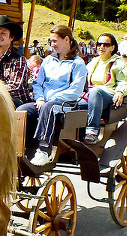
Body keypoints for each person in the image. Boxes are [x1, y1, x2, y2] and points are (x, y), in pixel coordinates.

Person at [16, 24, 88, 167]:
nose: (52, 45)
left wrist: (53, 98)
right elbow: (37, 83)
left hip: (67, 103)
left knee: (49, 107)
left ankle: (44, 149)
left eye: (55, 41)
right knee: (22, 109)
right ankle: (21, 146)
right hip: (44, 101)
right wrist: (40, 98)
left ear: (66, 39)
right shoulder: (48, 60)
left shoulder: (78, 63)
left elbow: (76, 90)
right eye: (51, 41)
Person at [80, 32, 127, 145]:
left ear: (112, 47)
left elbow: (124, 82)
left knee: (96, 91)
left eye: (106, 45)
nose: (101, 47)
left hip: (108, 97)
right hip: (90, 96)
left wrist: (120, 91)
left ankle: (92, 130)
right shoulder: (93, 62)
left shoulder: (118, 63)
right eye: (99, 44)